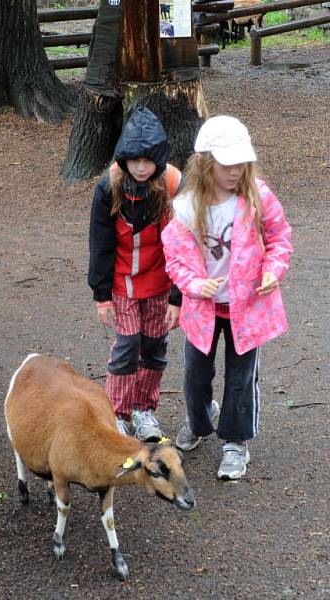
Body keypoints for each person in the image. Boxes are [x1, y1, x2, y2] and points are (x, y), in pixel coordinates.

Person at [162, 115, 293, 480]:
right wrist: (191, 283)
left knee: (241, 377)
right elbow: (173, 257)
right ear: (206, 163)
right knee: (195, 376)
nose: (235, 171)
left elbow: (280, 237)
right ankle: (200, 421)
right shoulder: (188, 206)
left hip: (247, 308)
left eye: (241, 164)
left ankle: (236, 442)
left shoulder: (258, 195)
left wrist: (274, 269)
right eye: (227, 164)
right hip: (204, 309)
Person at [88, 107, 182, 441]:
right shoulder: (108, 187)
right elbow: (100, 244)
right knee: (127, 345)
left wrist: (178, 298)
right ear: (124, 159)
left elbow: (182, 245)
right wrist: (100, 295)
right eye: (135, 160)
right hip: (122, 284)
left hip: (160, 284)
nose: (141, 167)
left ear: (158, 159)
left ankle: (144, 410)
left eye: (148, 160)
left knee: (154, 347)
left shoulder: (171, 184)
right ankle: (117, 413)